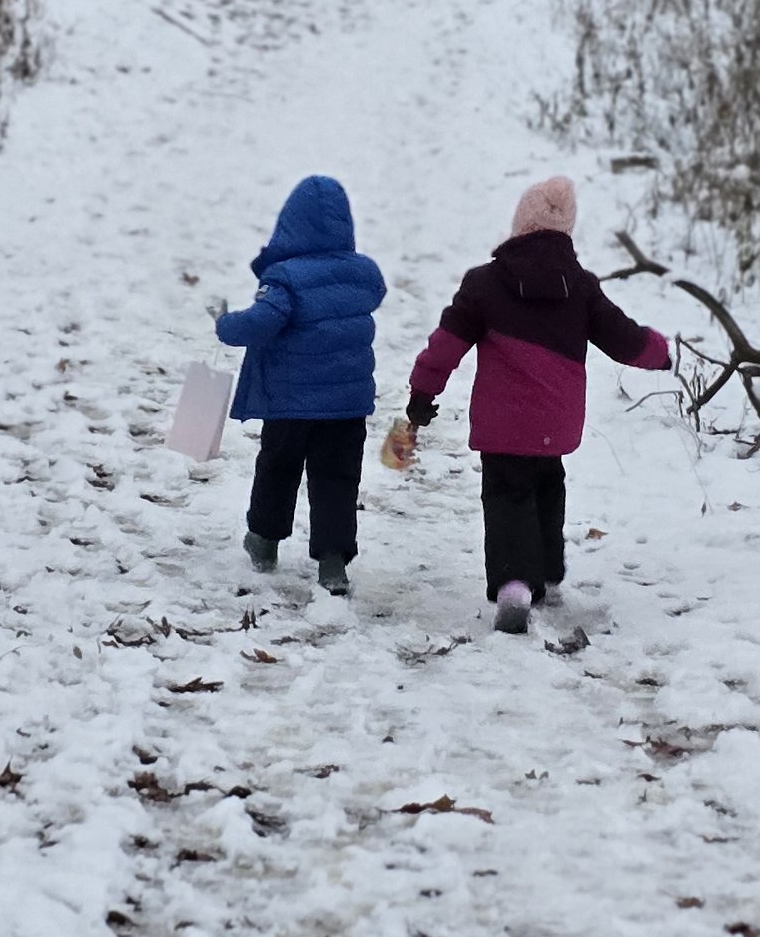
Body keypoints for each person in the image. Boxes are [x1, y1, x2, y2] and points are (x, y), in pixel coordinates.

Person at [403, 175, 670, 632]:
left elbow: (445, 345)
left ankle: (514, 587)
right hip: (556, 422)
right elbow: (623, 339)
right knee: (548, 484)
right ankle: (546, 569)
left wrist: (423, 393)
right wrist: (661, 352)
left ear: (519, 225)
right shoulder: (581, 287)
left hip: (503, 425)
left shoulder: (485, 283)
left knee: (508, 495)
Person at [213, 175, 386, 597]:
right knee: (337, 480)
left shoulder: (285, 277)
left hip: (290, 404)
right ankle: (333, 562)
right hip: (346, 407)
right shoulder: (364, 274)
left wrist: (224, 323)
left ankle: (264, 541)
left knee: (278, 468)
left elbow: (260, 323)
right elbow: (371, 295)